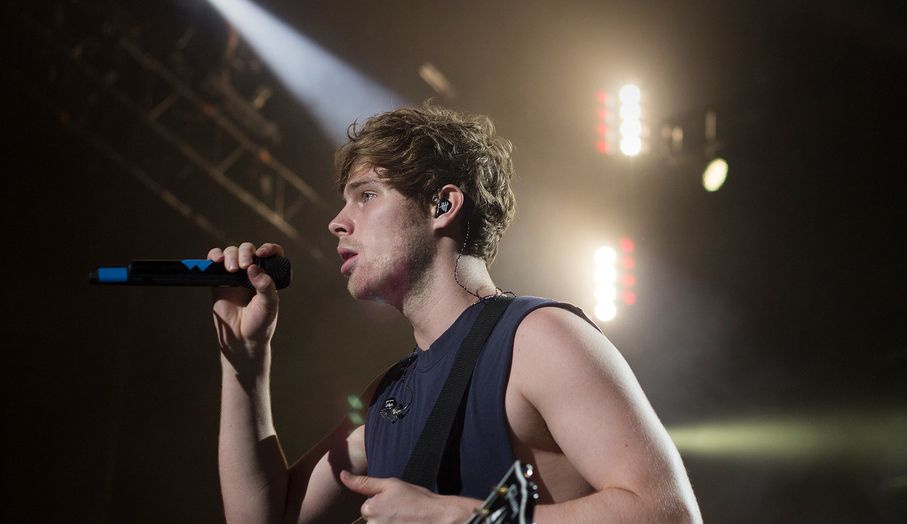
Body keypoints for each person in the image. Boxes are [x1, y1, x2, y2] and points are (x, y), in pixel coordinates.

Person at [208, 104, 701, 523]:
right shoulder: (389, 396)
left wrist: (457, 515)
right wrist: (245, 361)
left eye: (367, 195)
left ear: (442, 205)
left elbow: (669, 513)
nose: (337, 222)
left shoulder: (538, 338)